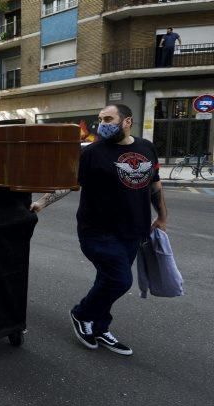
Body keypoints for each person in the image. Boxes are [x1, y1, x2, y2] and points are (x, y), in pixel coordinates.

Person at [62, 104, 167, 356]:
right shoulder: (92, 153)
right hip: (97, 231)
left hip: (133, 230)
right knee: (119, 280)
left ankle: (99, 326)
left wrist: (162, 216)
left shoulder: (146, 147)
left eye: (108, 118)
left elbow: (154, 184)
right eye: (100, 119)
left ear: (127, 121)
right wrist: (41, 202)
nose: (102, 124)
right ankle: (82, 314)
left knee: (106, 279)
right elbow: (68, 183)